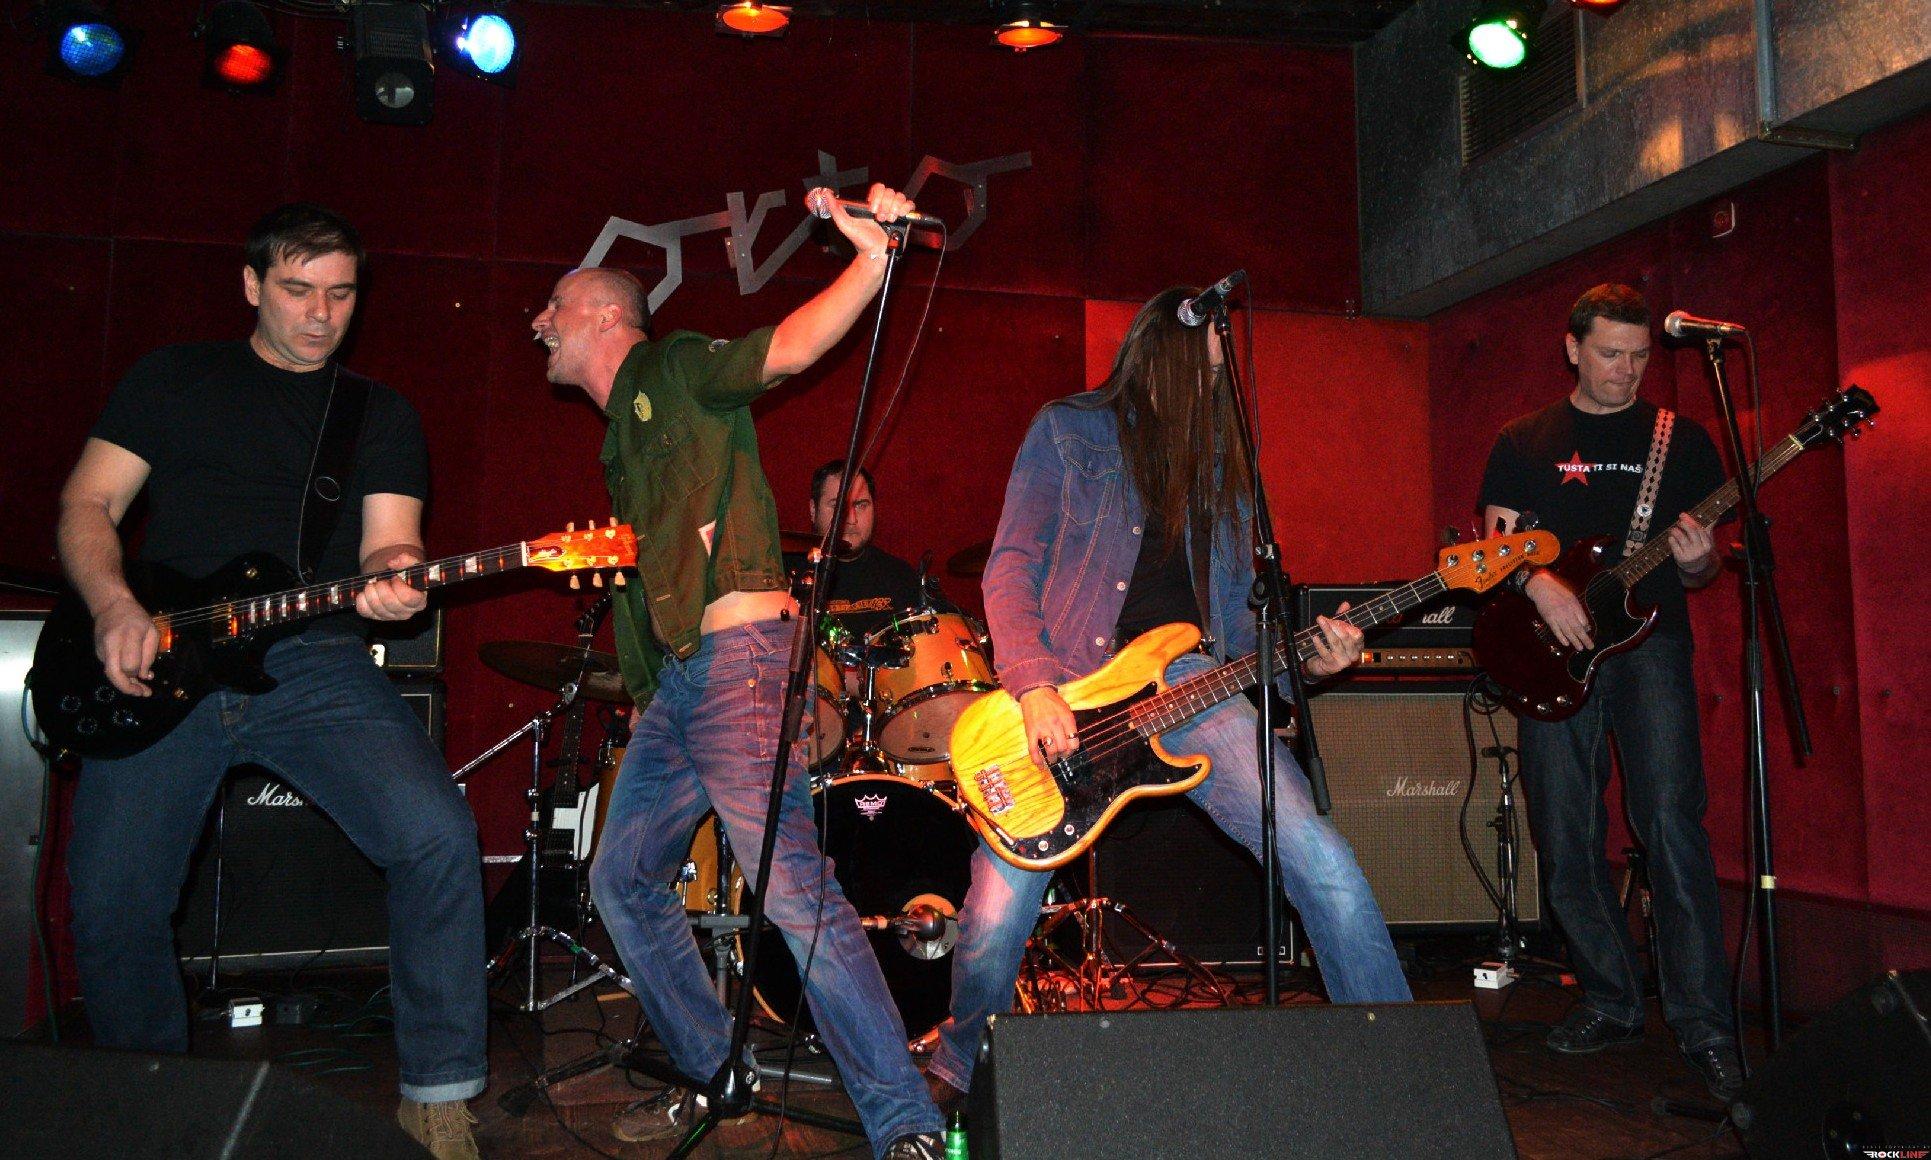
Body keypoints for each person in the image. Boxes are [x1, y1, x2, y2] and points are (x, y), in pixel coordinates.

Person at [56, 204, 487, 1159]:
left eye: (340, 294)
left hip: (310, 659)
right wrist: (114, 606)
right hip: (160, 652)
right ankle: (153, 1112)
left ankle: (438, 1096)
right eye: (297, 290)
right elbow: (89, 500)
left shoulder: (377, 413)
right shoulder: (172, 378)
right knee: (114, 900)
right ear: (252, 284)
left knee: (436, 836)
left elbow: (391, 543)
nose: (320, 315)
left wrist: (397, 579)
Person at [921, 287, 1414, 1111]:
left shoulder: (1222, 469)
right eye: (1205, 371)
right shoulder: (1069, 429)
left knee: (1318, 856)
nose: (1215, 389)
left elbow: (1237, 630)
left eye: (1221, 377)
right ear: (1158, 355)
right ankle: (957, 1064)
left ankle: (1401, 1068)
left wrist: (1312, 665)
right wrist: (1035, 687)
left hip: (1187, 683)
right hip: (1069, 683)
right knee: (999, 909)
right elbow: (1009, 567)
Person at [533, 185, 946, 1159]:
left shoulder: (671, 368)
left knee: (792, 889)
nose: (536, 322)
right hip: (682, 683)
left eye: (553, 305)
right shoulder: (619, 439)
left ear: (603, 315)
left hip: (736, 664)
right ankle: (718, 1071)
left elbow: (787, 349)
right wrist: (647, 690)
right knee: (623, 876)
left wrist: (871, 259)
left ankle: (905, 1120)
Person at [1478, 282, 1741, 1101]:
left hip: (1650, 646)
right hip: (1550, 651)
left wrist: (1698, 560)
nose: (1625, 370)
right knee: (1565, 832)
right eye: (1608, 354)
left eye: (1636, 356)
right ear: (1572, 349)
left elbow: (1702, 567)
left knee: (1669, 823)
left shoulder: (1681, 440)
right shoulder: (1523, 439)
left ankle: (1705, 1024)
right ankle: (1610, 998)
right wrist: (1539, 585)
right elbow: (1493, 548)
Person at [804, 458, 952, 639]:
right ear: (813, 510)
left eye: (861, 505)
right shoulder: (788, 575)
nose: (851, 519)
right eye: (838, 505)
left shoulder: (901, 577)